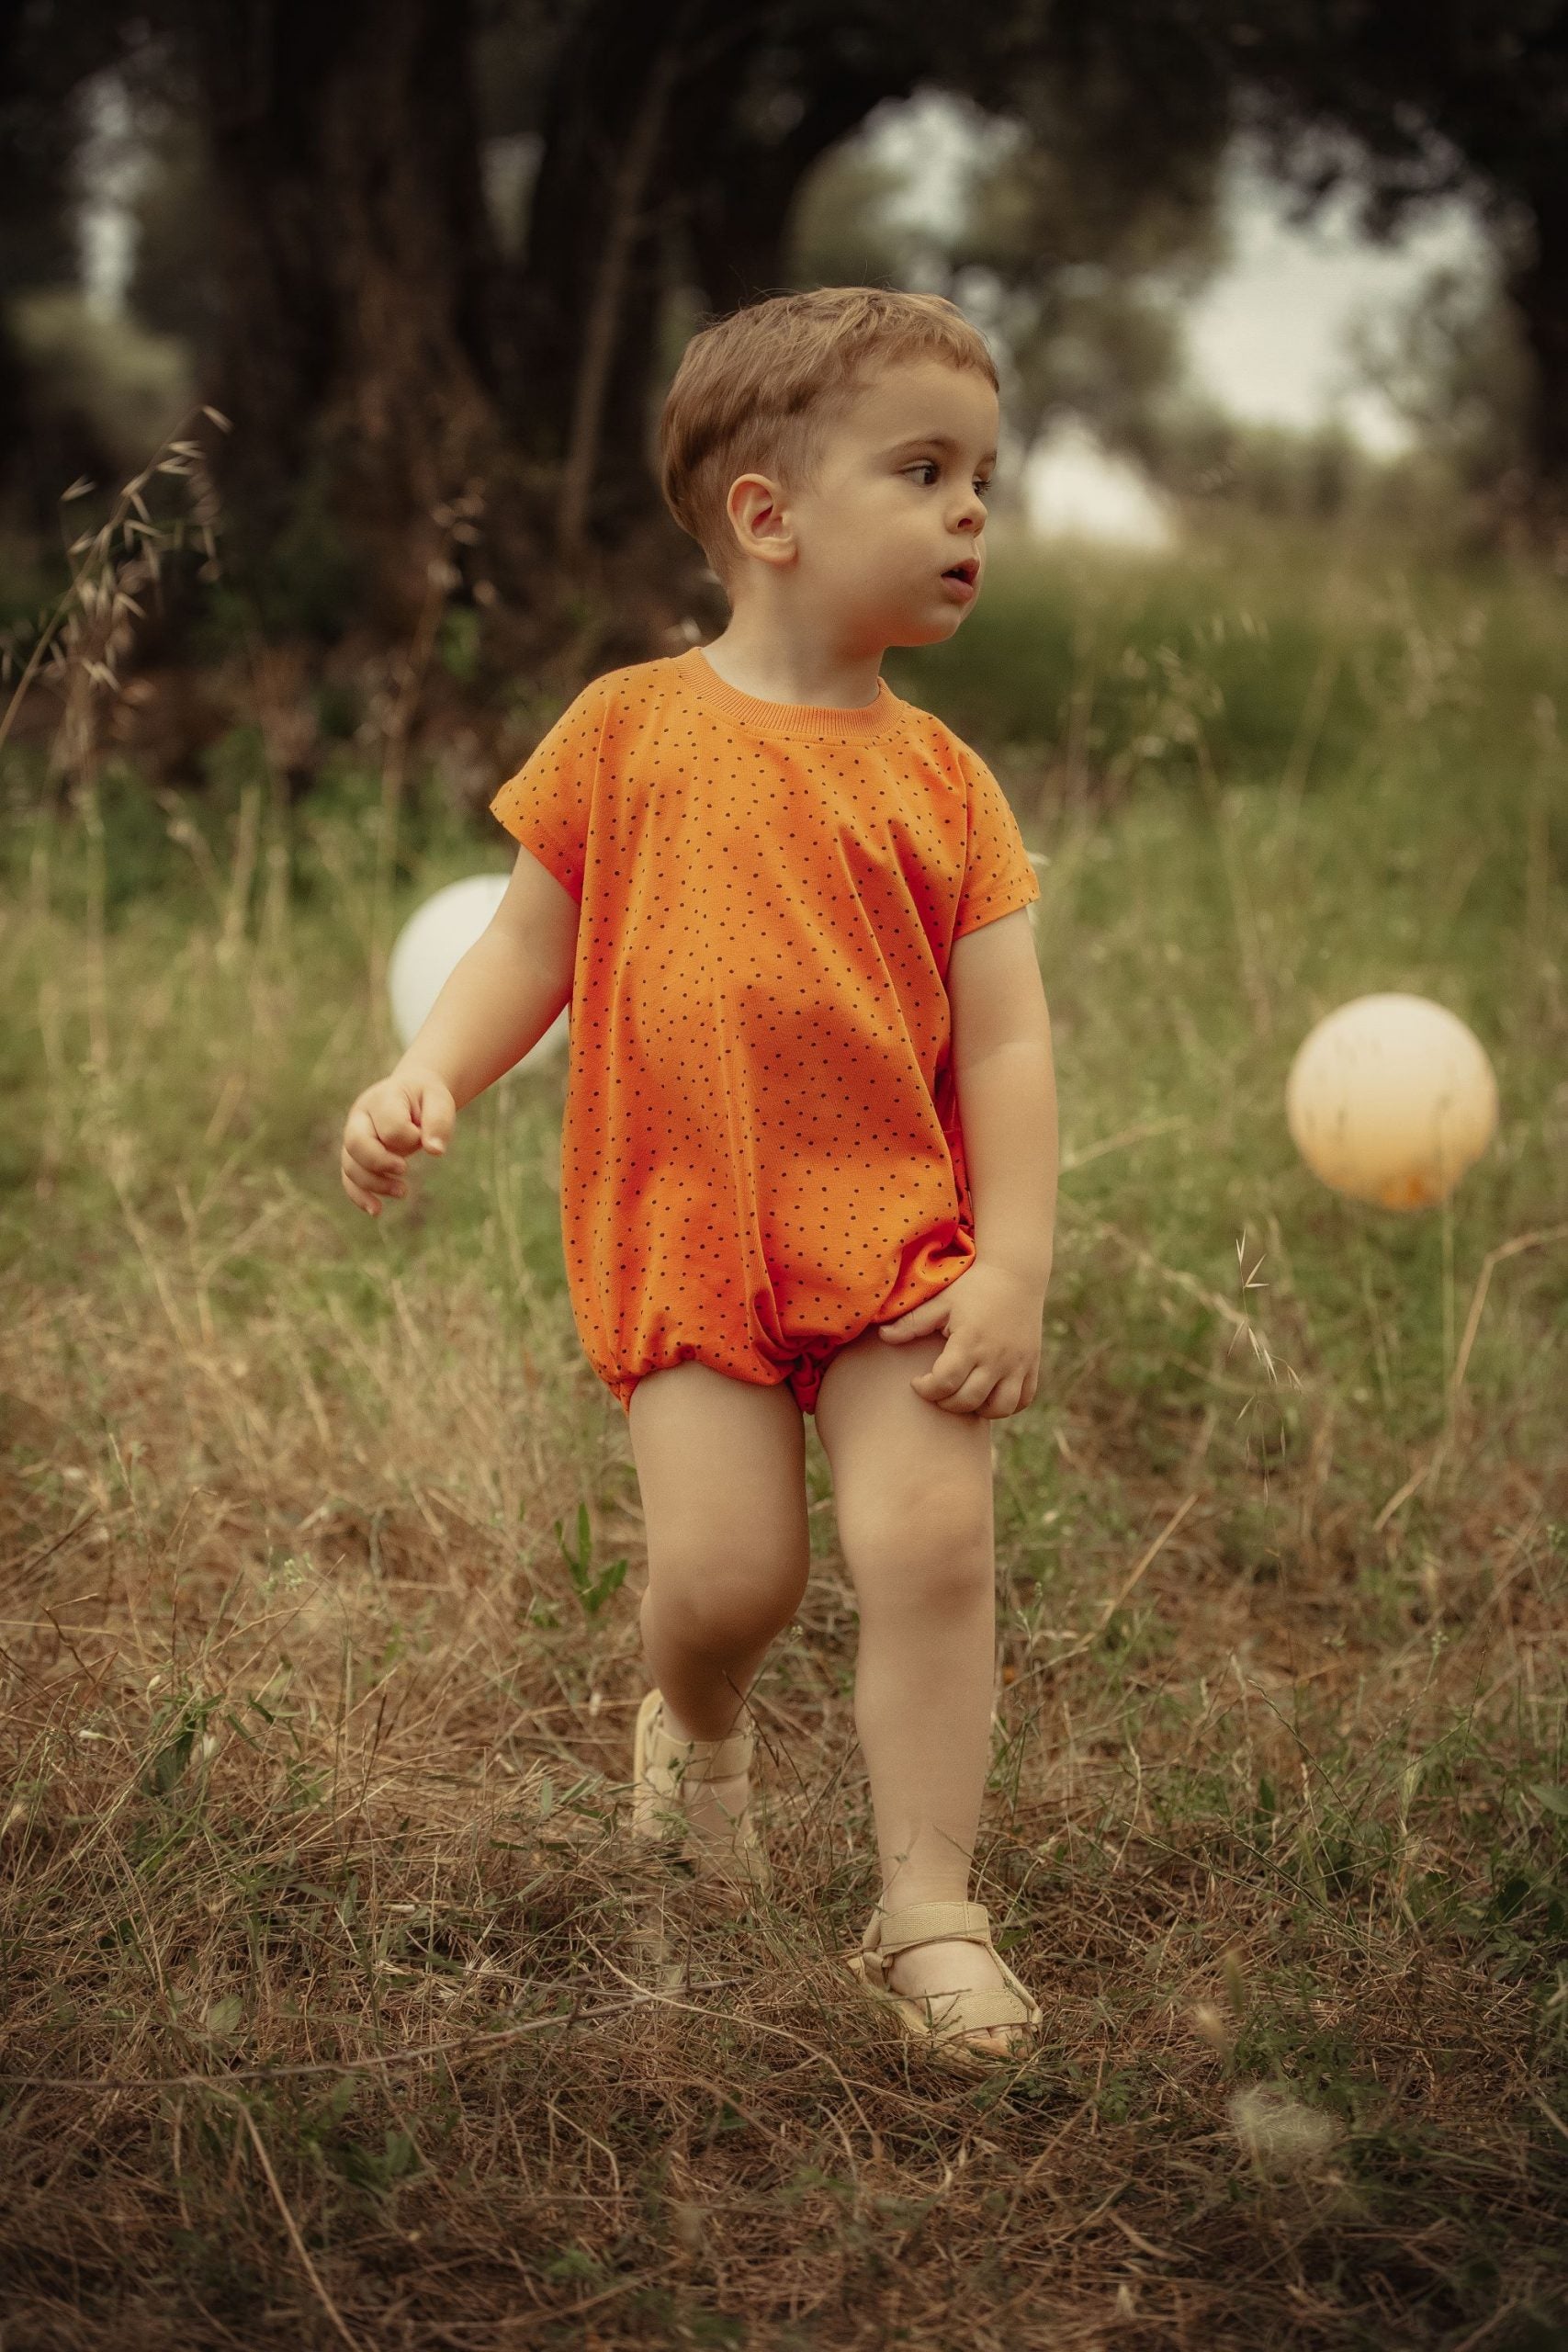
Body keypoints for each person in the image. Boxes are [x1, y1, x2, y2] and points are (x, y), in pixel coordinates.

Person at [339, 287, 1058, 2065]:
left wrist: (1015, 1258)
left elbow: (1007, 1047)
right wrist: (427, 1068)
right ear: (766, 514)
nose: (974, 508)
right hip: (684, 1233)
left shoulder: (944, 785)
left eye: (983, 472)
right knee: (732, 1579)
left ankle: (926, 1911)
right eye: (925, 468)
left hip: (894, 1235)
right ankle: (695, 1720)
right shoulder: (626, 732)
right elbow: (527, 948)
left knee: (930, 1544)